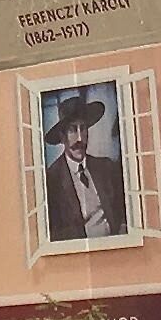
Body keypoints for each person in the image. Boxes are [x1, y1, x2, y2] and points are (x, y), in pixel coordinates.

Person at [43, 92, 127, 242]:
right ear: (62, 137)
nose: (80, 138)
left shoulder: (106, 167)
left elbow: (124, 211)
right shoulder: (52, 180)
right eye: (72, 130)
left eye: (83, 128)